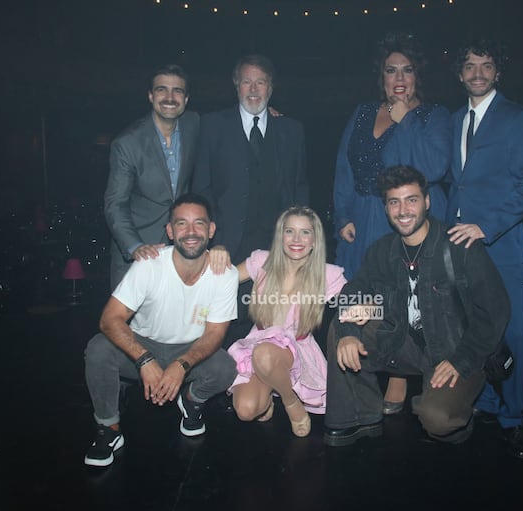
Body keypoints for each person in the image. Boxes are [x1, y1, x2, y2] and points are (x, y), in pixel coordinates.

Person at [324, 165, 509, 447]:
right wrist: (350, 329)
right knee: (342, 326)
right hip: (406, 343)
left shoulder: (459, 246)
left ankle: (459, 415)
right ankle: (360, 417)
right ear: (386, 208)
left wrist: (462, 360)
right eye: (394, 202)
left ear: (427, 202)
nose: (403, 210)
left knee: (439, 420)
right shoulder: (382, 250)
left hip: (455, 351)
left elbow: (496, 309)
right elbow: (353, 291)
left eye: (411, 199)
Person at [332, 32, 452, 414]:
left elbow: (433, 167)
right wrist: (344, 215)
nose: (399, 78)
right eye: (391, 70)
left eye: (407, 70)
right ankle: (358, 382)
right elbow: (344, 166)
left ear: (418, 76)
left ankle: (399, 376)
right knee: (359, 300)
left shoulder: (433, 116)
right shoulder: (364, 111)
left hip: (405, 220)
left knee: (400, 295)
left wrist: (406, 123)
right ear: (381, 76)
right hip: (362, 219)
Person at [83, 194, 238, 467]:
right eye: (181, 224)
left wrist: (181, 364)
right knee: (98, 349)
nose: (190, 232)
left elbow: (215, 333)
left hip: (189, 349)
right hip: (144, 345)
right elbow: (110, 319)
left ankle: (191, 401)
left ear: (211, 229)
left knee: (225, 368)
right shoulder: (149, 265)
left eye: (198, 223)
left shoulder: (225, 273)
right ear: (169, 230)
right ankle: (109, 429)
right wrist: (144, 360)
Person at [446, 39, 523, 459]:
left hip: (501, 246)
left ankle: (514, 417)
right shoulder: (455, 120)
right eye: (470, 66)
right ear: (460, 73)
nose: (478, 73)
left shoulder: (517, 118)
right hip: (460, 249)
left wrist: (486, 226)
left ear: (497, 72)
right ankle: (486, 402)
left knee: (514, 334)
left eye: (486, 66)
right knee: (475, 329)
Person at [192, 54, 309, 347]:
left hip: (276, 251)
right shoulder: (212, 126)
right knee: (220, 330)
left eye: (261, 82)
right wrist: (212, 240)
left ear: (271, 88)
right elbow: (201, 189)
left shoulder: (292, 130)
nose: (254, 89)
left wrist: (300, 246)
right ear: (236, 85)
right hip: (225, 250)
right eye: (247, 81)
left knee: (272, 331)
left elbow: (299, 190)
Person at [227, 207, 346, 437]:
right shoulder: (263, 260)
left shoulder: (326, 273)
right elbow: (223, 281)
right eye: (289, 231)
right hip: (258, 341)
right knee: (245, 410)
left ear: (315, 240)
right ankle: (272, 389)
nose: (296, 239)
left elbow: (358, 298)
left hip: (296, 349)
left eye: (305, 232)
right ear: (280, 235)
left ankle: (292, 404)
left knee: (264, 354)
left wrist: (365, 309)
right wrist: (219, 252)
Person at [104, 64, 200, 290]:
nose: (169, 97)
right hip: (140, 254)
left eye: (177, 91)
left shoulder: (194, 124)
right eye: (161, 90)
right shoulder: (127, 143)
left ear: (186, 99)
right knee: (129, 325)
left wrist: (265, 114)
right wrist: (135, 246)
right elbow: (115, 205)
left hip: (181, 252)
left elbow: (228, 126)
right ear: (150, 95)